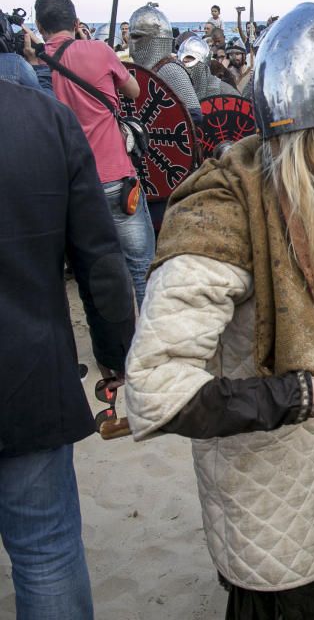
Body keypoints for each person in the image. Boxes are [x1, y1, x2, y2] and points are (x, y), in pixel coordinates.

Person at [123, 2, 314, 620]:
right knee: (285, 591)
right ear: (304, 133)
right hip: (261, 452)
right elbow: (155, 389)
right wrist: (308, 396)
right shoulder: (222, 216)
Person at [0, 79, 135, 620]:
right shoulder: (44, 118)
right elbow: (98, 259)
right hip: (25, 373)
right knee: (45, 551)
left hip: (27, 375)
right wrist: (116, 352)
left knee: (46, 551)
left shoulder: (50, 118)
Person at [29, 0, 157, 310]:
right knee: (142, 267)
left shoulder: (37, 63)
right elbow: (134, 90)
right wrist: (92, 50)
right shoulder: (98, 51)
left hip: (71, 185)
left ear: (40, 27)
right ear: (75, 22)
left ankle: (111, 350)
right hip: (115, 177)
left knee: (95, 275)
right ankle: (151, 346)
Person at [128, 3, 203, 122]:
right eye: (130, 37)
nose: (132, 43)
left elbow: (194, 115)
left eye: (137, 37)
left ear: (157, 39)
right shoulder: (145, 71)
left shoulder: (170, 69)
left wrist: (161, 126)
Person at [178, 34, 240, 99]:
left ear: (204, 62)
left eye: (190, 58)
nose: (184, 64)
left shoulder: (226, 92)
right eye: (181, 60)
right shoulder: (175, 88)